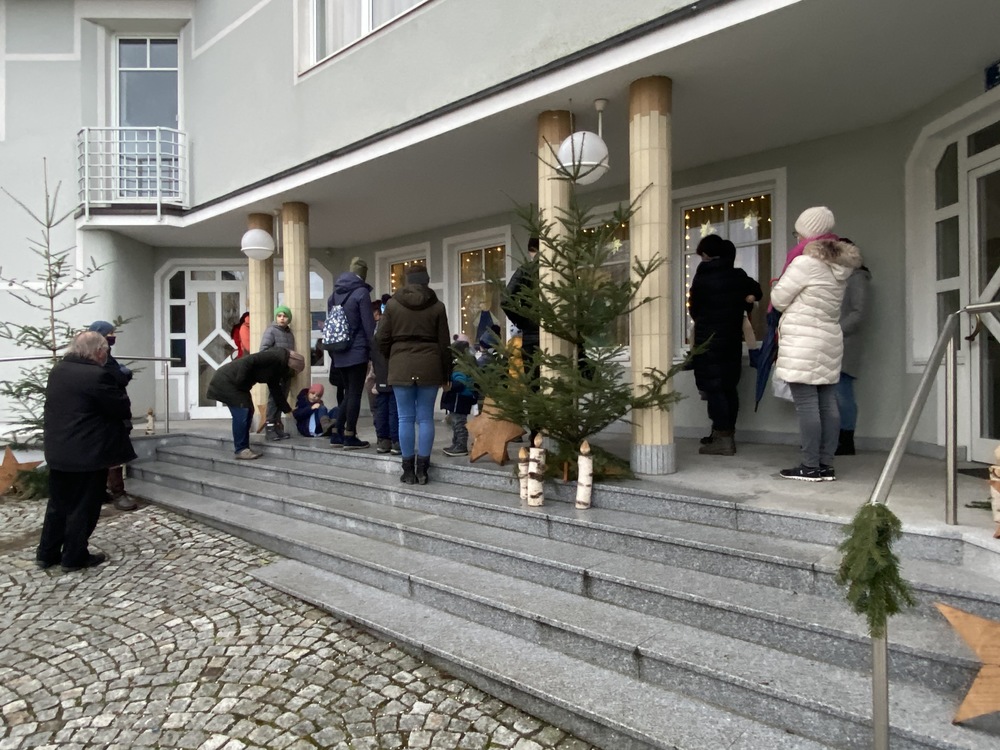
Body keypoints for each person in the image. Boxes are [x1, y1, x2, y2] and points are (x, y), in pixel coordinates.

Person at [36, 331, 136, 572]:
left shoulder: (59, 370)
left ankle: (47, 553)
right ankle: (74, 557)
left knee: (58, 505)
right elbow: (121, 407)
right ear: (99, 351)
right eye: (105, 351)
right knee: (84, 507)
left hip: (59, 450)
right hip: (87, 453)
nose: (106, 355)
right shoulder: (96, 375)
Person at [771, 220, 862, 481]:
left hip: (803, 339)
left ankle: (810, 466)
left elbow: (778, 299)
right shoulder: (841, 267)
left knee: (807, 404)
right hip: (829, 339)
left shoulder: (805, 263)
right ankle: (825, 465)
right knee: (827, 403)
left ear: (807, 234)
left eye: (798, 233)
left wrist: (777, 286)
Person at [687, 236, 763, 456]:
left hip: (708, 341)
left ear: (706, 254)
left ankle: (723, 438)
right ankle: (725, 433)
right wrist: (746, 300)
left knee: (714, 389)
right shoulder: (737, 276)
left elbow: (694, 309)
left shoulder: (702, 277)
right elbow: (756, 291)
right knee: (728, 387)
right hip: (731, 340)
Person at [377, 263, 451, 485]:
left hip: (401, 363)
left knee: (405, 418)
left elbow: (381, 338)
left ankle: (408, 470)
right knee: (426, 418)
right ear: (426, 281)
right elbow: (445, 343)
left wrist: (392, 356)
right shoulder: (438, 306)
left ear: (407, 281)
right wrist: (447, 373)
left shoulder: (392, 305)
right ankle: (423, 470)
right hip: (430, 364)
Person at [207, 347, 306, 459]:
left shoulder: (277, 368)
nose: (292, 375)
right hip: (227, 380)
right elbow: (249, 360)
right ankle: (241, 450)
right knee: (242, 412)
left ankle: (244, 448)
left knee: (248, 411)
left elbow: (275, 390)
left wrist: (287, 410)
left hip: (236, 384)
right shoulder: (274, 356)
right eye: (293, 372)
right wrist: (241, 382)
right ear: (291, 365)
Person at [87, 320, 138, 511]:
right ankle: (118, 493)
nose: (113, 337)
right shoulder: (99, 358)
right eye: (110, 334)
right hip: (107, 414)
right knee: (113, 456)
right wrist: (124, 373)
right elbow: (115, 378)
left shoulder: (106, 356)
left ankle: (100, 492)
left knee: (106, 454)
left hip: (111, 412)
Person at [328, 257, 375, 450]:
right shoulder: (361, 293)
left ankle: (337, 432)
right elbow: (368, 326)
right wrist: (373, 351)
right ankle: (350, 435)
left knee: (348, 392)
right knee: (354, 393)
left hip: (339, 350)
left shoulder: (334, 295)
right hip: (357, 350)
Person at [836, 242, 870, 456]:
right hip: (834, 341)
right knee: (833, 392)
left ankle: (846, 439)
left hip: (846, 342)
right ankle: (834, 438)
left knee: (842, 391)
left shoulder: (857, 278)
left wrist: (836, 331)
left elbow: (859, 312)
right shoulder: (841, 277)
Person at [259, 305, 296, 441]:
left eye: (284, 316)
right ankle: (269, 428)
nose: (282, 318)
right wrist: (279, 356)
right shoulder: (271, 331)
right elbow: (263, 350)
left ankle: (277, 426)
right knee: (273, 399)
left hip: (286, 371)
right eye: (279, 316)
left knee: (282, 399)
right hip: (274, 371)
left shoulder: (289, 334)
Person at [370, 299, 400, 454]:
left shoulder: (375, 334)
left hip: (380, 376)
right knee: (395, 410)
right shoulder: (395, 331)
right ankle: (396, 441)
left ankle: (383, 440)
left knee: (381, 409)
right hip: (395, 375)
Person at [441, 335, 478, 457]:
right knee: (456, 422)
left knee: (459, 423)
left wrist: (450, 386)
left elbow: (461, 383)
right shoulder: (467, 364)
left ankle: (461, 446)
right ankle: (456, 444)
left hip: (459, 398)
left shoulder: (460, 367)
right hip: (463, 398)